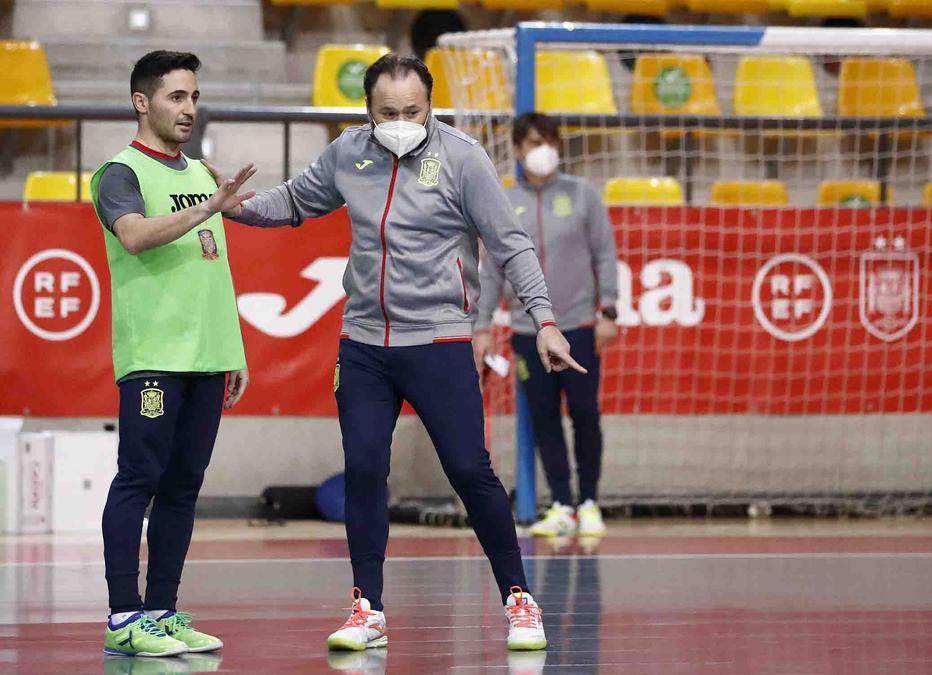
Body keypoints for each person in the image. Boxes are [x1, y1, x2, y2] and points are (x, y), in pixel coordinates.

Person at [219, 54, 583, 652]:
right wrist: (238, 208)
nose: (400, 121)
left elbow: (510, 245)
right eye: (387, 112)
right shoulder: (347, 153)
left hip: (438, 338)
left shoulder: (463, 158)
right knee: (364, 469)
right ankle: (368, 607)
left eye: (412, 111)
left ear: (430, 106)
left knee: (469, 469)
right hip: (363, 341)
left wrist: (544, 320)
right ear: (367, 111)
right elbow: (293, 202)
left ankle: (519, 598)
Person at [92, 50, 255, 657]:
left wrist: (232, 348)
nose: (189, 108)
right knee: (139, 478)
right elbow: (133, 235)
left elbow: (214, 266)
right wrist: (212, 206)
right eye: (175, 98)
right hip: (154, 354)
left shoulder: (201, 174)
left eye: (192, 97)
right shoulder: (119, 172)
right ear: (142, 102)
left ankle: (160, 610)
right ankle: (121, 615)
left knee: (185, 486)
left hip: (208, 355)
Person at [473, 113, 619, 539]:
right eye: (534, 142)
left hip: (577, 325)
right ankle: (561, 504)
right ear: (517, 149)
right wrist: (481, 326)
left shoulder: (583, 195)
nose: (542, 149)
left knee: (586, 414)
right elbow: (493, 270)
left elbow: (604, 254)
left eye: (550, 141)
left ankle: (589, 501)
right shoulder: (504, 201)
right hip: (526, 331)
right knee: (543, 417)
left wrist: (608, 310)